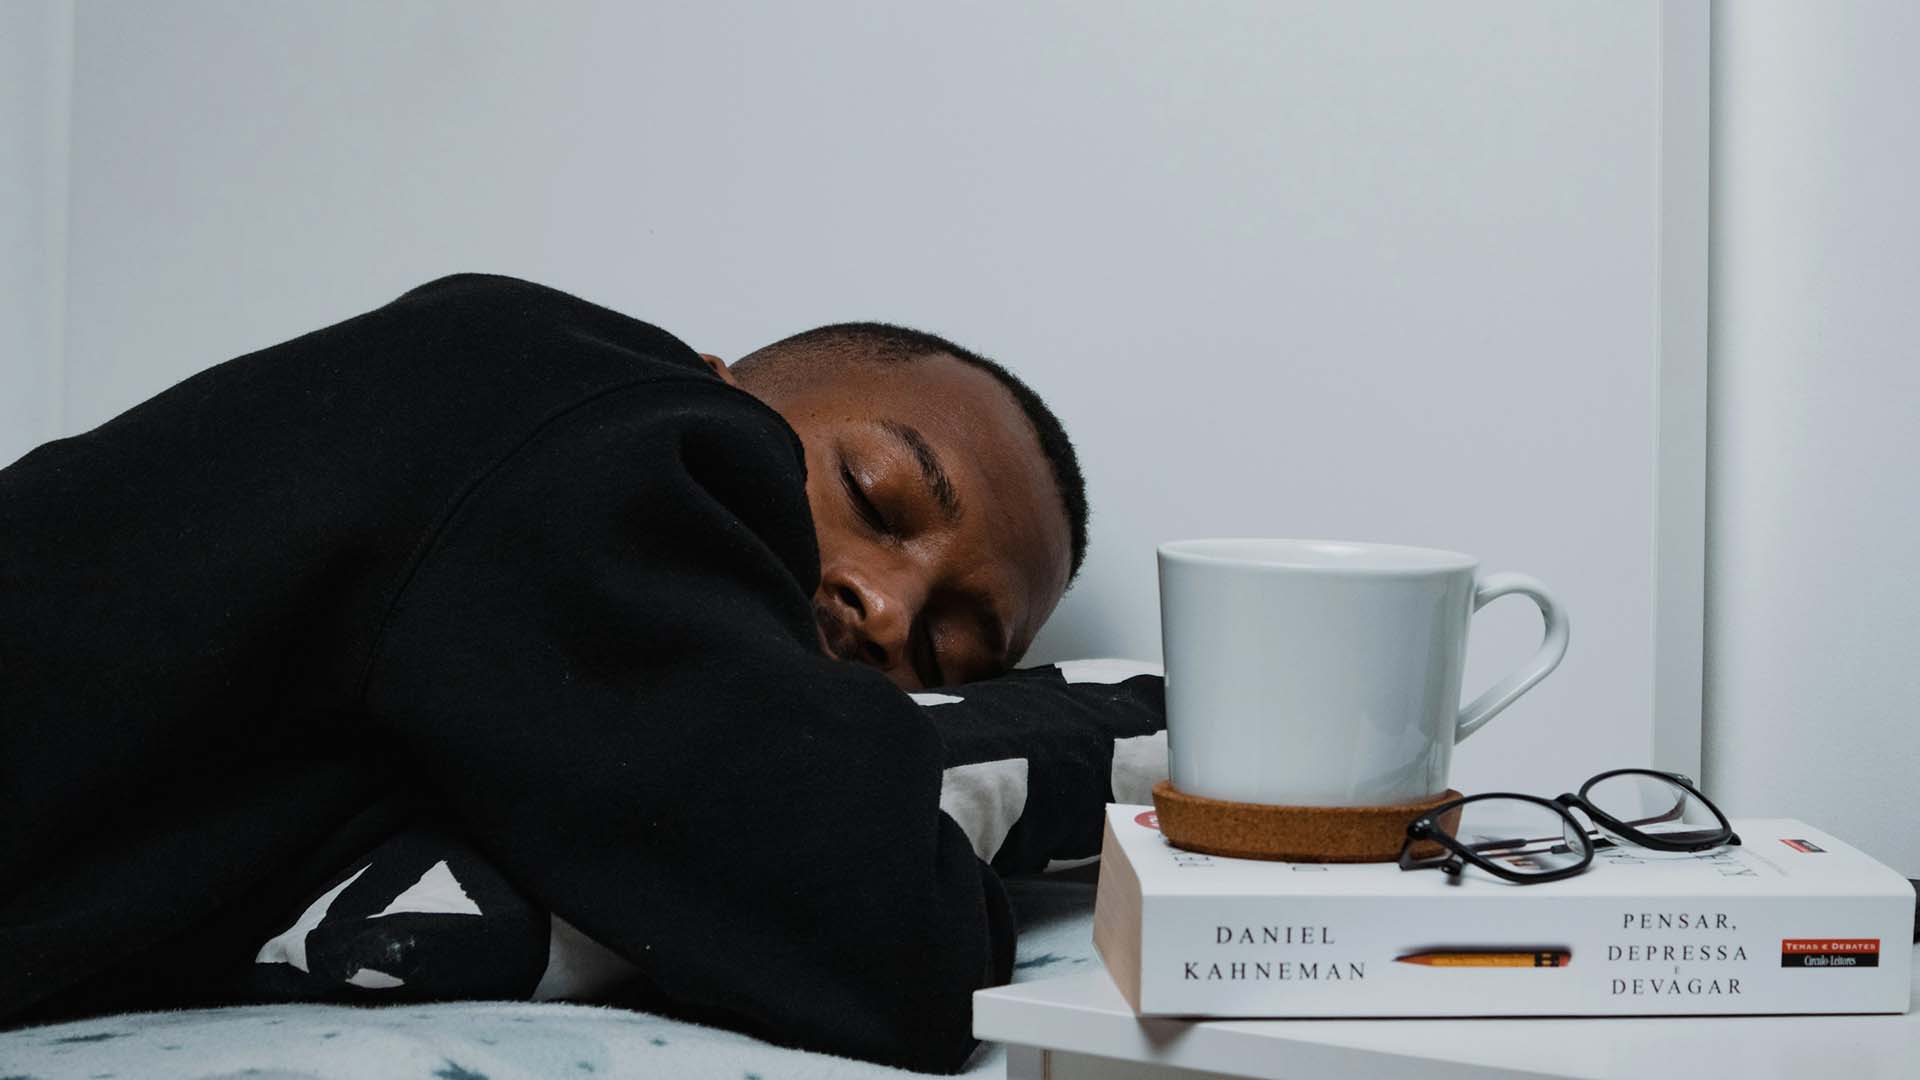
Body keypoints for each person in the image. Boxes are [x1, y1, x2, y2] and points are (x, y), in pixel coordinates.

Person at [0, 273, 1103, 1072]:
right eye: (870, 492)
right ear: (715, 384)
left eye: (947, 649)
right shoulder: (579, 404)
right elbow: (900, 943)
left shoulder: (472, 667)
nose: (889, 607)